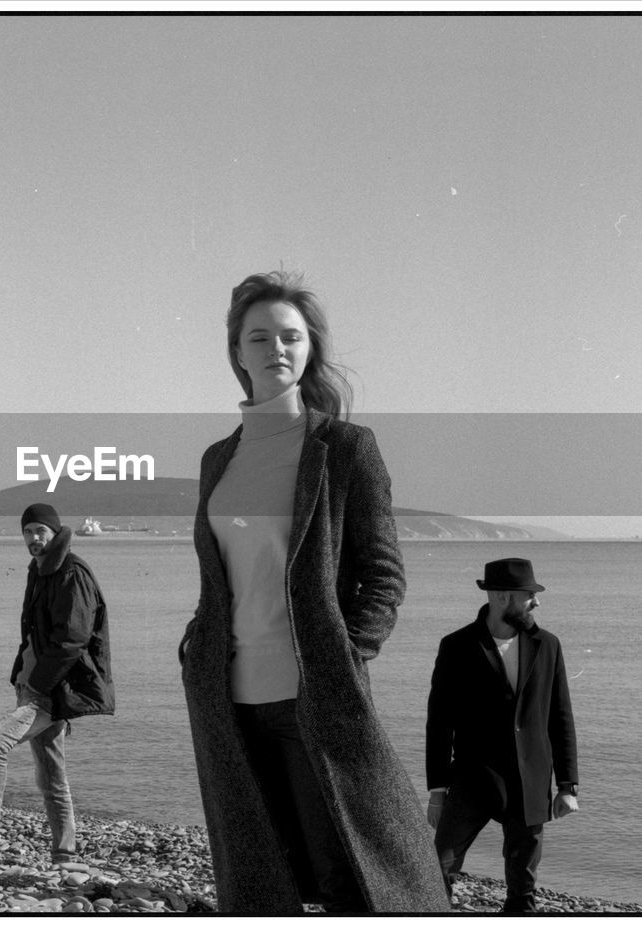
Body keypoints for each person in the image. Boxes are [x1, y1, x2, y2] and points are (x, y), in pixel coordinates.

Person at [178, 270, 450, 913]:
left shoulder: (346, 448)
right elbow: (220, 580)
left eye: (291, 336)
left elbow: (382, 574)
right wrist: (196, 645)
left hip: (315, 698)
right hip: (226, 700)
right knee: (262, 885)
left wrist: (346, 656)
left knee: (354, 881)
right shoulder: (218, 459)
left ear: (309, 350)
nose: (276, 347)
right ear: (237, 353)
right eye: (260, 336)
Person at [0, 503, 114, 864]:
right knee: (51, 770)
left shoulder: (72, 572)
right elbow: (35, 633)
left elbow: (73, 639)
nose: (33, 538)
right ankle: (64, 849)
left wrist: (41, 686)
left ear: (55, 532)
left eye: (40, 531)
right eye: (28, 531)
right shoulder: (40, 569)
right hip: (33, 684)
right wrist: (21, 675)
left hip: (51, 690)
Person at [425, 557, 579, 913]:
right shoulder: (457, 646)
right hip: (472, 779)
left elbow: (561, 717)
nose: (536, 602)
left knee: (522, 889)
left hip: (531, 780)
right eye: (530, 595)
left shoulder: (548, 645)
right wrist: (437, 791)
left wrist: (568, 785)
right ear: (503, 597)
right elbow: (439, 722)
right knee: (437, 867)